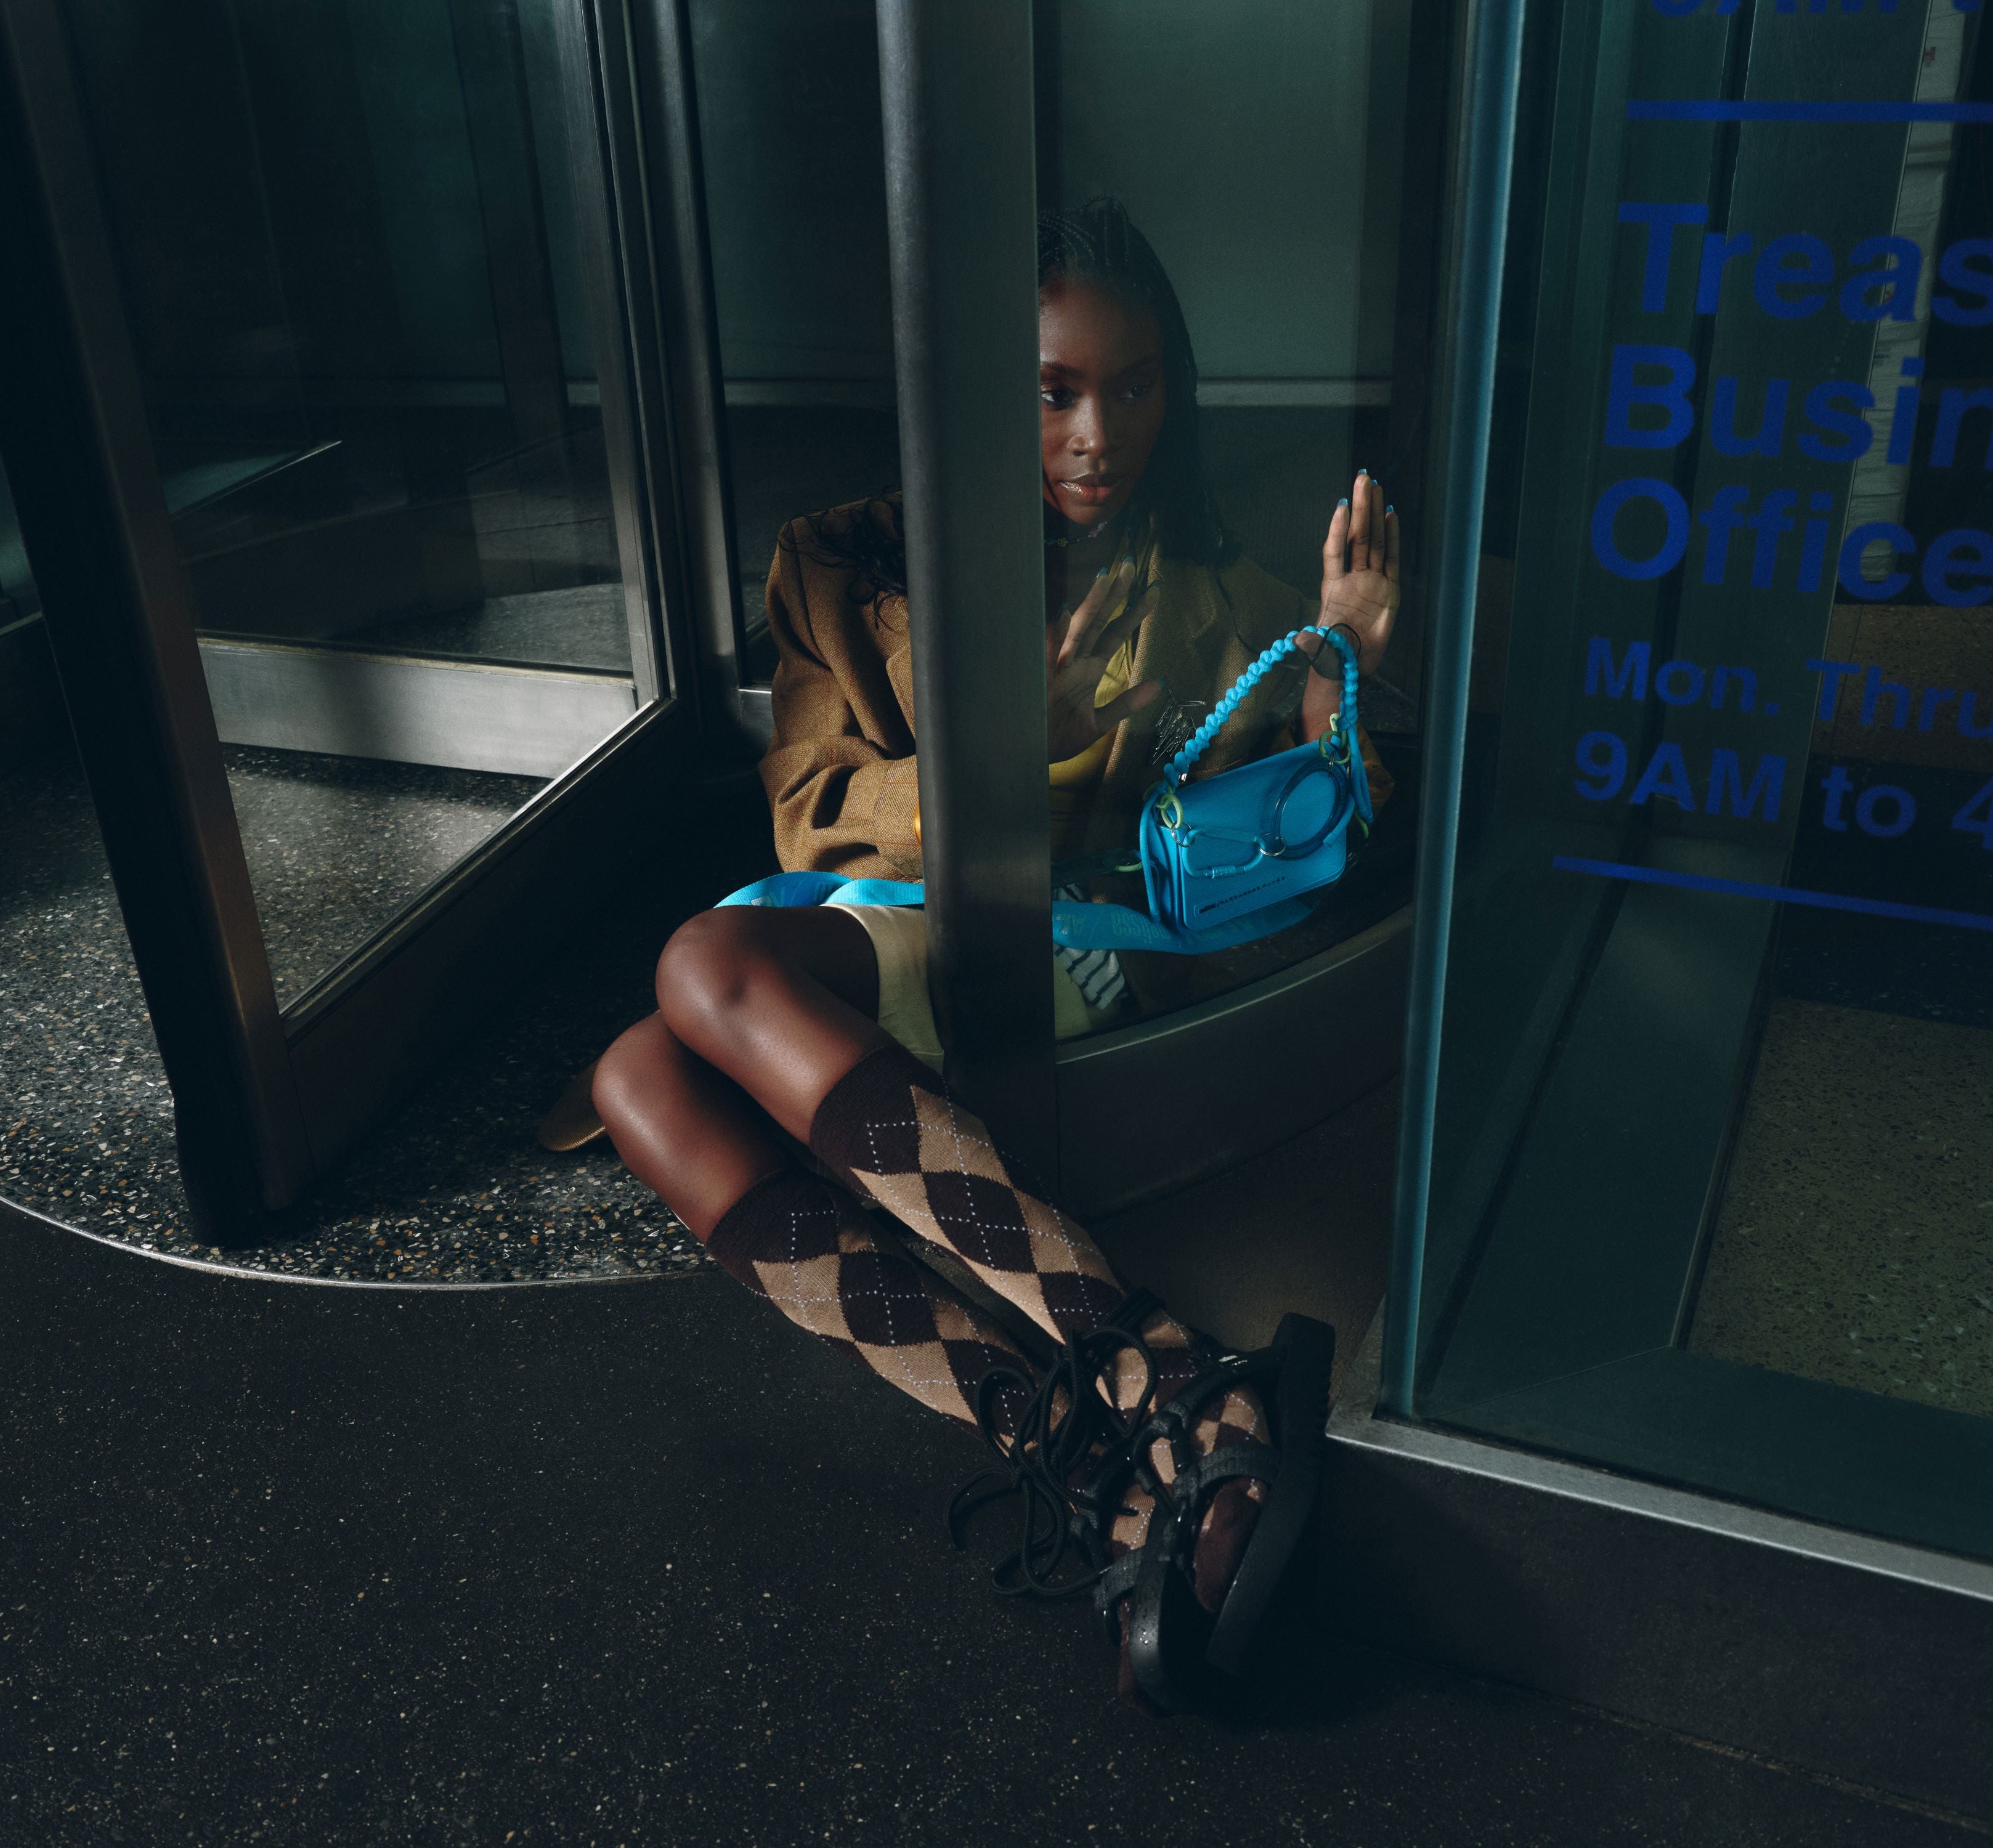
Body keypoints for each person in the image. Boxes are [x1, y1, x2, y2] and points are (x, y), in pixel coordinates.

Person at [566, 200, 1403, 1711]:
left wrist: (1343, 666)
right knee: (638, 1077)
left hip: (1083, 957)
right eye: (1053, 390)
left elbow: (1306, 853)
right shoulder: (837, 566)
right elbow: (816, 815)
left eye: (1132, 387)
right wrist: (1006, 758)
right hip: (901, 927)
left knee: (690, 974)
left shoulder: (1223, 600)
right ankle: (1108, 1457)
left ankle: (1162, 1388)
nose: (1097, 435)